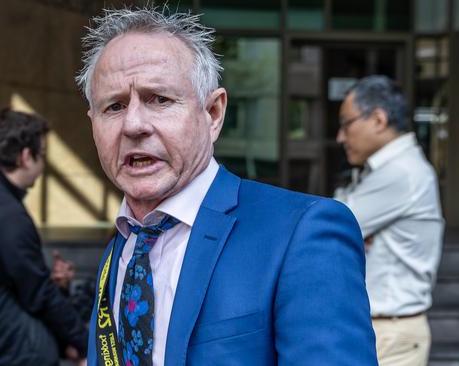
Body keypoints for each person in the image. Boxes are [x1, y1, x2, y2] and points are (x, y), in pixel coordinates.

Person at [75, 8, 377, 366]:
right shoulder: (124, 245)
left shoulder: (301, 233)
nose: (134, 124)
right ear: (94, 124)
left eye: (160, 100)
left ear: (213, 114)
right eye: (114, 106)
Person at [0, 108, 87, 366]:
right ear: (25, 157)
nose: (43, 165)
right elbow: (39, 295)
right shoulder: (5, 214)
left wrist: (57, 288)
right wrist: (87, 345)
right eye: (41, 156)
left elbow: (19, 289)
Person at [334, 75, 444, 366]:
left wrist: (346, 233)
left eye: (347, 124)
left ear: (378, 120)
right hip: (382, 328)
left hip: (390, 332)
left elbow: (329, 226)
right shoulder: (382, 170)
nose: (341, 137)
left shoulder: (402, 172)